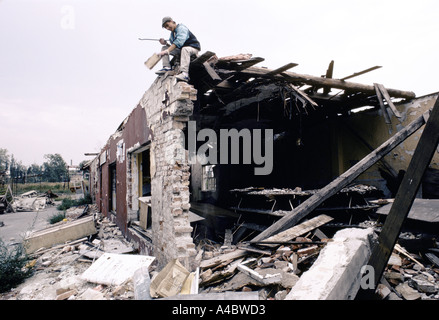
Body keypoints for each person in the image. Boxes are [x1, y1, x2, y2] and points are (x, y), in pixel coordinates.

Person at [156, 16, 201, 82]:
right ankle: (166, 67)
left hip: (193, 48)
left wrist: (167, 51)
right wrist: (166, 44)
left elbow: (179, 42)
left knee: (185, 49)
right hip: (182, 50)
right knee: (164, 48)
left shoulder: (181, 28)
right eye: (166, 27)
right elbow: (173, 47)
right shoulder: (172, 35)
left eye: (167, 25)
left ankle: (185, 74)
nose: (168, 28)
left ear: (172, 21)